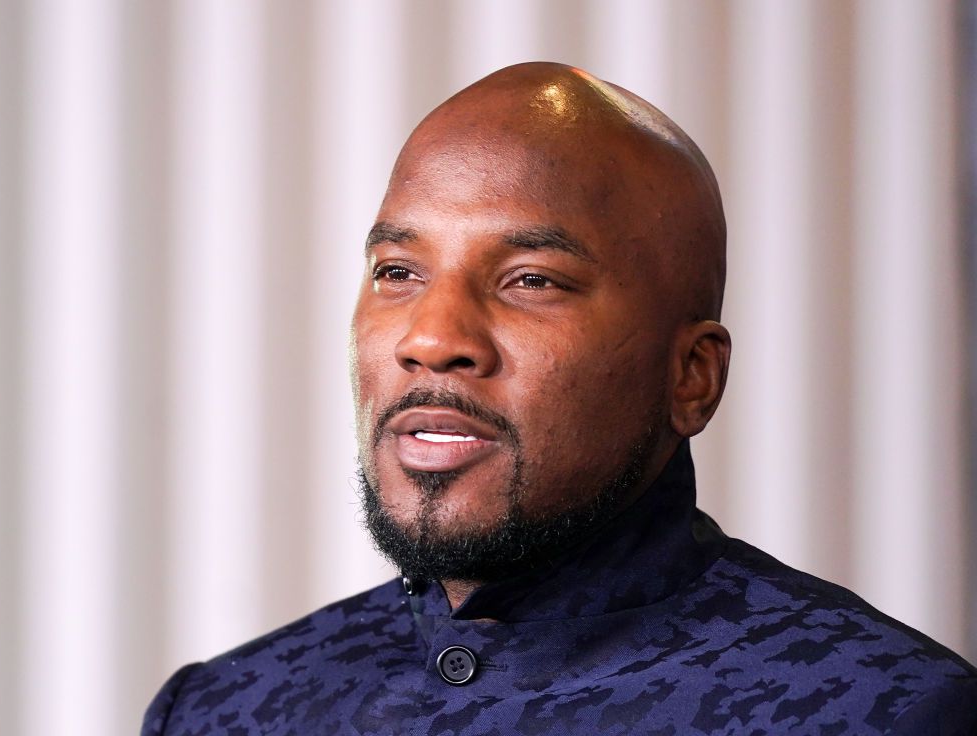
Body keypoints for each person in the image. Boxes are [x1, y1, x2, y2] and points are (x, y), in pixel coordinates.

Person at [143, 62, 977, 735]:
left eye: (531, 280)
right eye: (398, 271)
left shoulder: (884, 712)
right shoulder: (222, 711)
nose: (431, 337)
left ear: (691, 377)